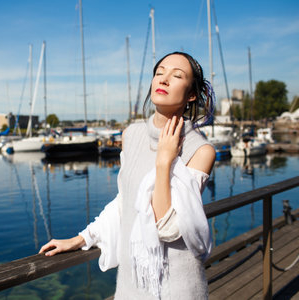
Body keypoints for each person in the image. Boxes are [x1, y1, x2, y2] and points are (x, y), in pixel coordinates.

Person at [39, 52, 216, 299]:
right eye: (159, 72)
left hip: (177, 287)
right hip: (132, 284)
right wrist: (81, 239)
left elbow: (169, 228)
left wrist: (164, 161)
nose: (163, 80)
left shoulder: (201, 150)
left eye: (177, 76)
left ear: (191, 94)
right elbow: (126, 202)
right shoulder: (131, 135)